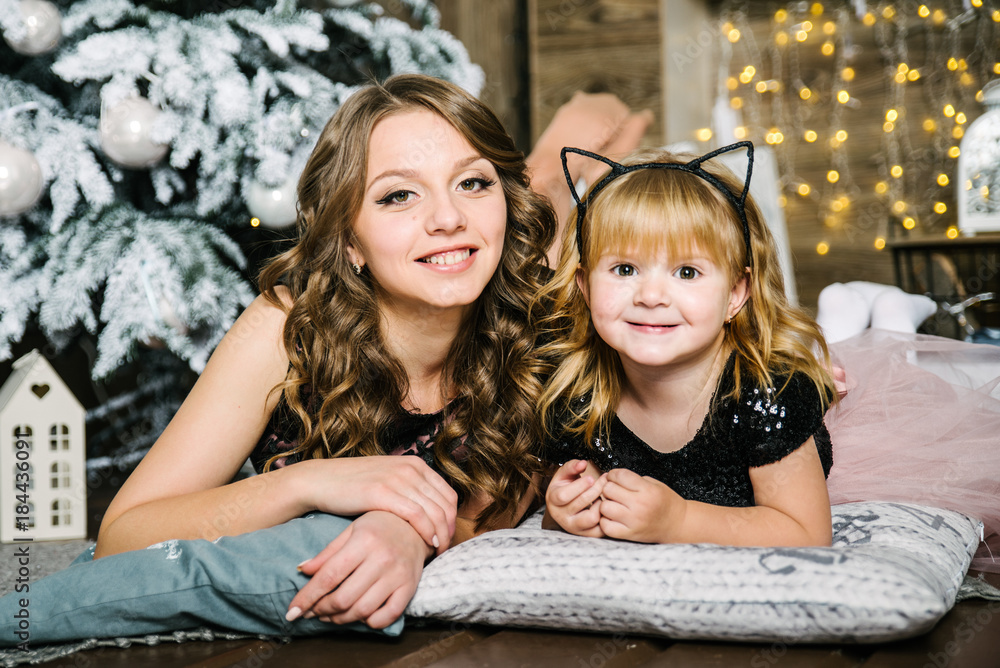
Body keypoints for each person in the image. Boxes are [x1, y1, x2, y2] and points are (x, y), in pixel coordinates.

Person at [92, 74, 650, 629]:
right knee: (555, 166)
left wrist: (404, 529)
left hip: (526, 272)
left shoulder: (541, 327)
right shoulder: (284, 328)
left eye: (473, 183)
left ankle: (576, 129)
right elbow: (121, 538)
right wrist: (309, 482)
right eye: (398, 195)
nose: (448, 218)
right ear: (351, 241)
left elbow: (488, 517)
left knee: (565, 167)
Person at [535, 142, 838, 547]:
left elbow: (807, 533)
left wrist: (679, 521)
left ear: (735, 293)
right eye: (625, 269)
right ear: (585, 286)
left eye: (687, 272)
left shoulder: (766, 393)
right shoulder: (577, 394)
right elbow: (575, 502)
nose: (651, 296)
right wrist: (568, 511)